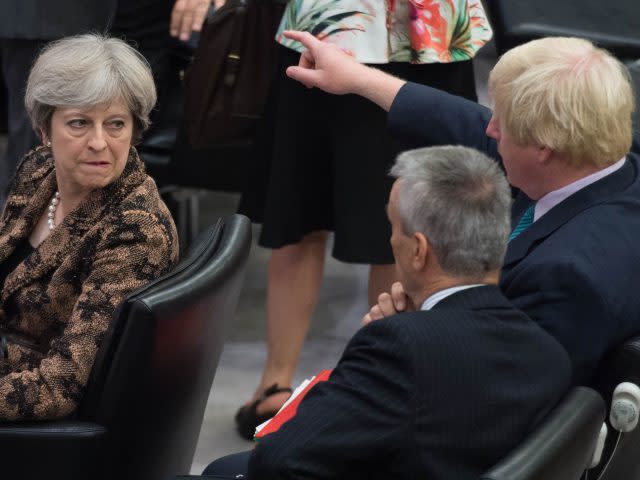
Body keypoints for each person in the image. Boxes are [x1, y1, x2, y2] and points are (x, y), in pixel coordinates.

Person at [282, 31, 640, 385]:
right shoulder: (601, 161)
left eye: (501, 122)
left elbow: (502, 397)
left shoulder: (565, 278)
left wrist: (418, 327)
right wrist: (358, 77)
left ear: (543, 148)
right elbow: (467, 124)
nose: (490, 128)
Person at [203, 145, 571, 480]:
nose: (391, 240)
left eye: (393, 228)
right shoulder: (548, 350)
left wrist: (376, 351)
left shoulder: (400, 347)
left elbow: (277, 460)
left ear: (418, 251)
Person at [235, 0, 494, 439]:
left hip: (428, 35)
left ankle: (385, 380)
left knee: (415, 219)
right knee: (300, 207)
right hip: (331, 23)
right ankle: (275, 381)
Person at [0, 34, 179, 420]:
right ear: (45, 130)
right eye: (79, 123)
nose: (99, 142)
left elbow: (60, 386)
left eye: (115, 124)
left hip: (32, 402)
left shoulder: (135, 229)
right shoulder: (39, 170)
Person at [0, 0, 213, 208]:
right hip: (54, 13)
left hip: (153, 20)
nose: (98, 142)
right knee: (36, 167)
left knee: (125, 155)